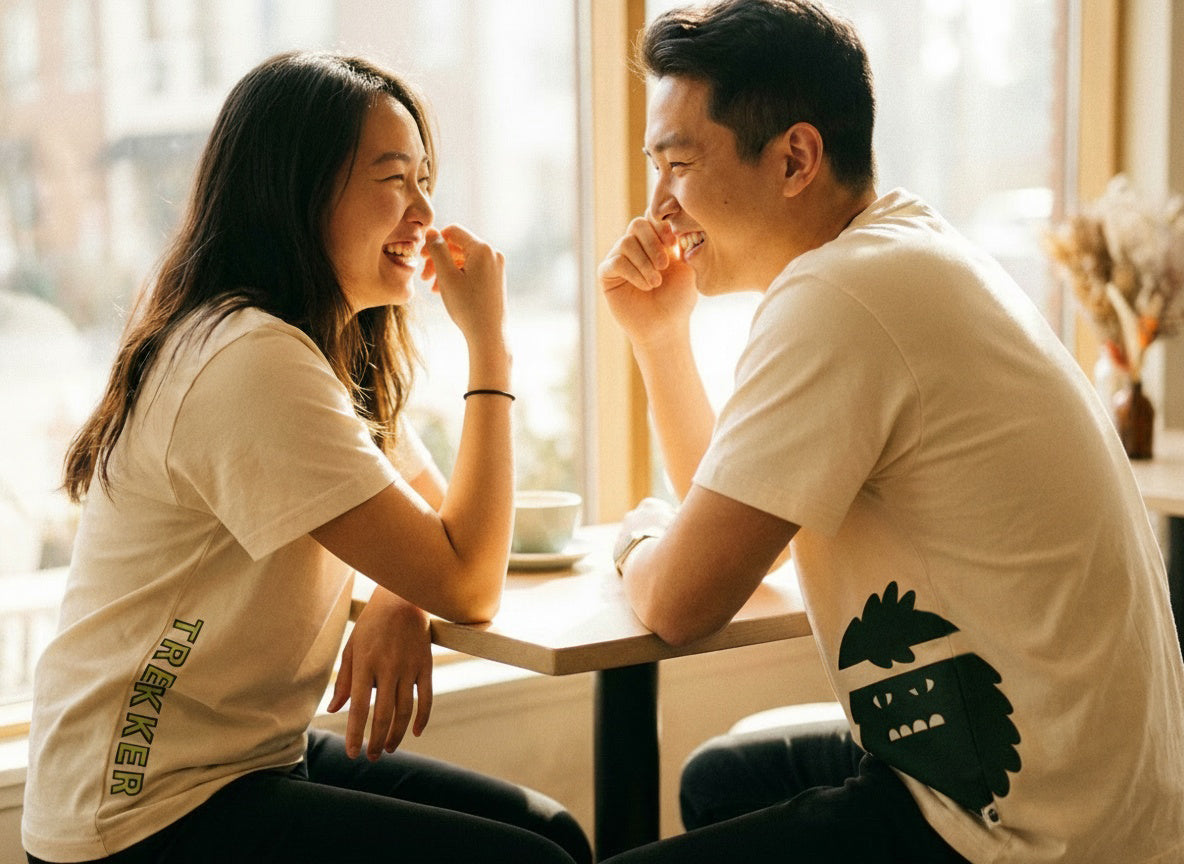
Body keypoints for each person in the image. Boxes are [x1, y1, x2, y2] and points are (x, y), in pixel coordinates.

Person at [597, 1, 1184, 862]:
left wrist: (635, 543)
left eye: (679, 165)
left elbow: (680, 600)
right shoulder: (903, 250)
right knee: (721, 781)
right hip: (1102, 793)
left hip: (1032, 831)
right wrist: (657, 338)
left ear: (795, 157)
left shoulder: (839, 298)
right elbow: (724, 531)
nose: (659, 208)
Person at [22, 51, 591, 864]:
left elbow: (441, 545)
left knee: (551, 836)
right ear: (298, 191)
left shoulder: (315, 350)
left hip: (244, 764)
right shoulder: (248, 359)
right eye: (393, 180)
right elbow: (469, 579)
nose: (424, 211)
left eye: (426, 178)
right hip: (139, 808)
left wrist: (403, 594)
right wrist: (490, 349)